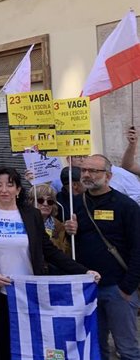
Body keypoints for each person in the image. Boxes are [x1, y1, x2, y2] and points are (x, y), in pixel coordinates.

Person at [0, 166, 97, 360]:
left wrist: (84, 271)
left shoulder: (31, 215)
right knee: (3, 344)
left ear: (18, 190)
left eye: (10, 185)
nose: (4, 190)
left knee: (34, 343)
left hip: (30, 293)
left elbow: (49, 251)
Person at [65, 154, 140, 360]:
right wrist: (70, 231)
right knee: (96, 348)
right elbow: (69, 245)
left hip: (118, 289)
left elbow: (138, 248)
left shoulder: (126, 206)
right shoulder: (75, 204)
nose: (87, 175)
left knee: (127, 349)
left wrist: (127, 287)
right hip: (88, 288)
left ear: (108, 176)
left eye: (93, 171)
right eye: (84, 170)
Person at [28, 183, 68, 255]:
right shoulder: (23, 222)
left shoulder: (60, 227)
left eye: (50, 201)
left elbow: (63, 251)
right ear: (32, 202)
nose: (46, 204)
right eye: (40, 200)